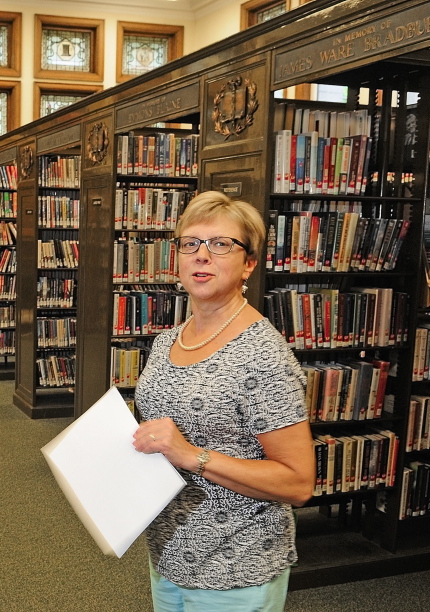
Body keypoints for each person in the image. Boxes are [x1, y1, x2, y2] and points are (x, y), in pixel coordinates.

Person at [132, 190, 315, 611]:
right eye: (191, 243)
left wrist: (190, 455)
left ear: (249, 262)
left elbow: (298, 482)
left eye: (220, 245)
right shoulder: (166, 341)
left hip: (235, 565)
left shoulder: (263, 355)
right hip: (169, 550)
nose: (202, 255)